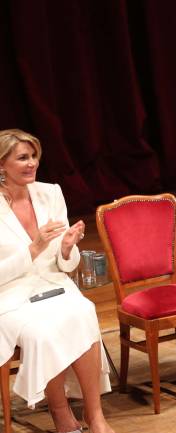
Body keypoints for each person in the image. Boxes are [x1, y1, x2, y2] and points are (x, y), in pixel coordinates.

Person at [0, 129, 113, 433]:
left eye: (34, 156)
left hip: (54, 285)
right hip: (11, 296)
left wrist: (66, 248)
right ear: (1, 165)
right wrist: (34, 248)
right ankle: (60, 413)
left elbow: (67, 263)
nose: (31, 163)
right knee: (44, 331)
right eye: (22, 158)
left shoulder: (50, 193)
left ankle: (95, 415)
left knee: (83, 311)